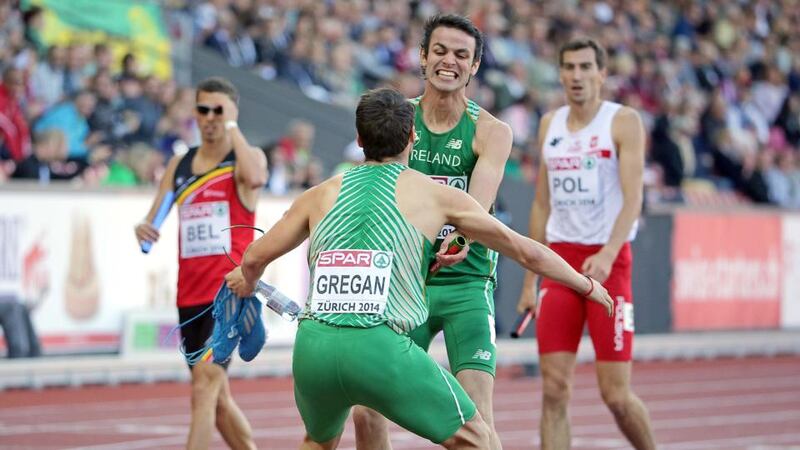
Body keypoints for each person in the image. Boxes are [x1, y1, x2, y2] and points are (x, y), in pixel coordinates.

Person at [224, 87, 614, 450]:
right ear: (413, 136)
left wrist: (248, 282)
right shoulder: (435, 194)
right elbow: (524, 251)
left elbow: (254, 258)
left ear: (359, 140)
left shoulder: (319, 194)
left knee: (317, 441)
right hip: (377, 348)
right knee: (479, 438)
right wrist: (585, 285)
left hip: (313, 351)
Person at [352, 14, 513, 450]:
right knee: (367, 408)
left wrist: (458, 241)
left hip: (466, 285)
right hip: (406, 284)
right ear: (422, 56)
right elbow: (371, 189)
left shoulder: (492, 132)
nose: (449, 61)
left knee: (478, 419)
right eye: (439, 51)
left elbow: (474, 211)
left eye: (461, 55)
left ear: (475, 65)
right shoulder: (396, 118)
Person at [516, 38, 657, 450]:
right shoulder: (550, 125)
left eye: (585, 67)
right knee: (554, 389)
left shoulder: (623, 121)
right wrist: (529, 283)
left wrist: (609, 253)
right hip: (560, 263)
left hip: (608, 265)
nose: (576, 76)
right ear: (559, 74)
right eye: (569, 68)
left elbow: (634, 199)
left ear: (602, 73)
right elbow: (541, 204)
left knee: (615, 395)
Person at [134, 77, 266, 450]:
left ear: (231, 113)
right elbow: (152, 220)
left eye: (218, 110)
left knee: (204, 389)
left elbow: (256, 178)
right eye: (203, 109)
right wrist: (142, 230)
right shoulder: (180, 164)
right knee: (217, 398)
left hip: (229, 293)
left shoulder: (246, 158)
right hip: (189, 296)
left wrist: (232, 126)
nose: (210, 117)